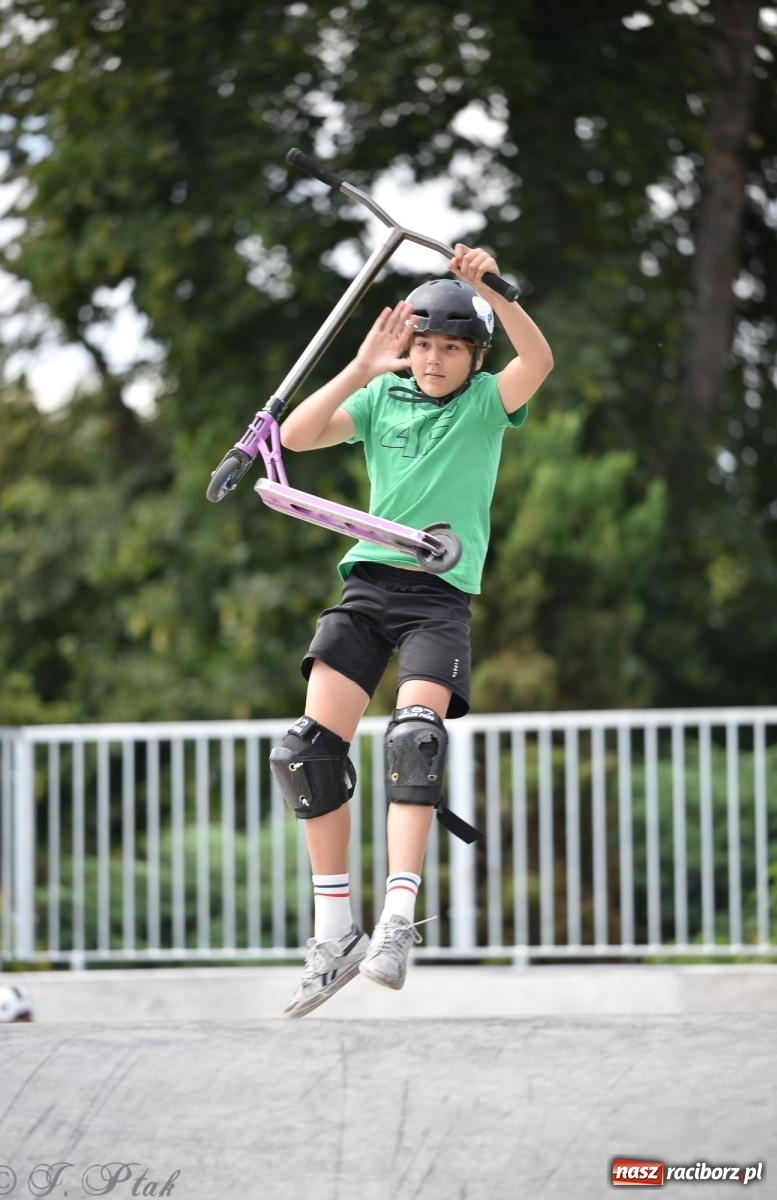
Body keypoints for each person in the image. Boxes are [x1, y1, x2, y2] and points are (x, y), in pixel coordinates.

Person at [271, 243, 553, 1017]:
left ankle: (397, 920)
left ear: (473, 356)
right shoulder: (380, 399)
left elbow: (540, 356)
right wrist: (364, 366)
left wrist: (488, 287)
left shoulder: (488, 403)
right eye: (422, 345)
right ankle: (335, 933)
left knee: (412, 740)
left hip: (438, 595)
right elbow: (295, 437)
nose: (432, 360)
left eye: (449, 348)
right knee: (304, 751)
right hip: (366, 584)